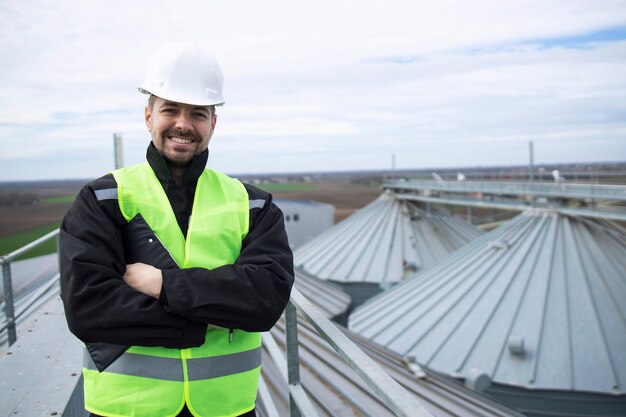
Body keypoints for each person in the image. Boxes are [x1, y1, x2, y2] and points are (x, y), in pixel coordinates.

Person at [60, 42, 294, 417]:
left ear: (213, 124)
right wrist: (212, 314)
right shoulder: (103, 199)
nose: (183, 124)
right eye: (170, 110)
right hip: (127, 409)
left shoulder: (252, 204)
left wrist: (161, 285)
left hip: (226, 408)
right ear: (148, 116)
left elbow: (265, 301)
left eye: (198, 114)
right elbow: (89, 308)